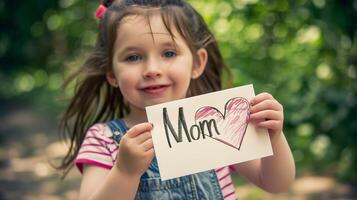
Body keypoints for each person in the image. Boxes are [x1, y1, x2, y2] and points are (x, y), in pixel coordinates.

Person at [58, 0, 295, 199]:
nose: (152, 69)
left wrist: (274, 137)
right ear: (111, 73)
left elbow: (276, 184)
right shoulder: (104, 139)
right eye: (133, 57)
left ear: (197, 63)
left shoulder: (218, 124)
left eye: (169, 53)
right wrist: (125, 171)